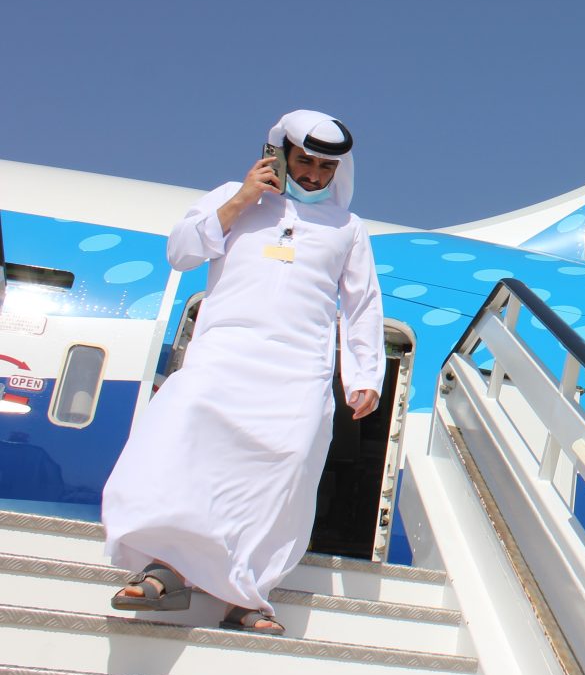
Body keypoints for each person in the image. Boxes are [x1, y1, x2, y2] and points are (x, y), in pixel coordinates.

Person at [101, 110, 385, 635]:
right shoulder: (232, 195)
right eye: (305, 161)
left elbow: (363, 304)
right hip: (224, 353)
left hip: (299, 369)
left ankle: (248, 594)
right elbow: (182, 252)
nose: (316, 175)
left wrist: (364, 375)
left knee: (285, 473)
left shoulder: (348, 228)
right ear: (279, 152)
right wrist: (243, 200)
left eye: (327, 166)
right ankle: (167, 566)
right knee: (184, 436)